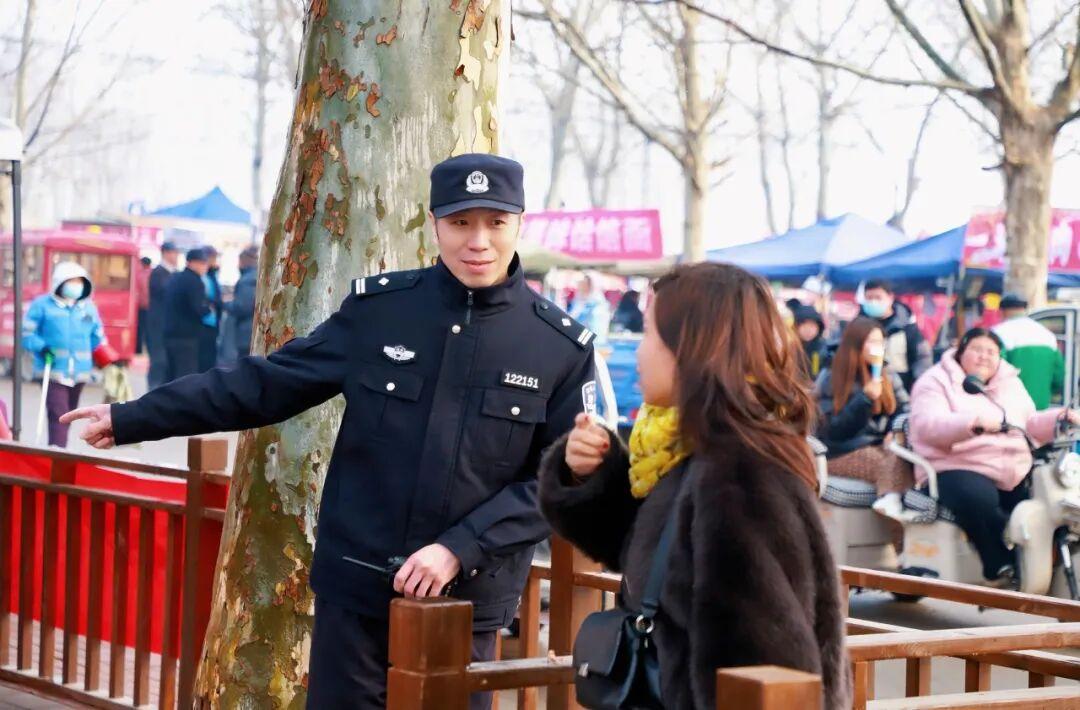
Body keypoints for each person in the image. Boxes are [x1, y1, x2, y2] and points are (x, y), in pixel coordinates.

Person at [61, 153, 602, 710]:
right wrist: (133, 417)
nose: (478, 241)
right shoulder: (381, 311)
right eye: (461, 222)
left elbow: (560, 480)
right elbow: (265, 383)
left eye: (496, 222)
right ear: (434, 223)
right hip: (356, 593)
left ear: (519, 222)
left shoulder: (557, 347)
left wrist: (458, 550)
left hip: (466, 605)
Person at [538, 262, 850, 710]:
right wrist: (590, 474)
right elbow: (654, 558)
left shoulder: (739, 476)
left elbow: (764, 664)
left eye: (649, 333)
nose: (639, 350)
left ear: (692, 349)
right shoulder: (694, 449)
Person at [909, 327, 1080, 586]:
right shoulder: (935, 381)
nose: (984, 356)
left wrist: (1059, 419)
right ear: (961, 351)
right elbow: (928, 426)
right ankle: (999, 566)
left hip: (1010, 468)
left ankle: (1048, 567)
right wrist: (971, 424)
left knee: (1050, 499)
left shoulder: (1010, 382)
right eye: (977, 349)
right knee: (978, 498)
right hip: (955, 465)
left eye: (991, 352)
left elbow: (1029, 422)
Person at [815, 316, 912, 518]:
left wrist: (894, 431)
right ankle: (891, 503)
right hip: (840, 451)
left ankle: (894, 505)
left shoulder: (887, 374)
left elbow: (905, 409)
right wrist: (864, 400)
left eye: (881, 342)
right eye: (872, 342)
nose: (878, 348)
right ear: (857, 344)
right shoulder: (832, 376)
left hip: (880, 445)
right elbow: (832, 430)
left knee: (906, 459)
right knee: (883, 463)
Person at [22, 262, 118, 447]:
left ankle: (59, 450)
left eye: (79, 282)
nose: (76, 286)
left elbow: (97, 337)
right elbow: (27, 334)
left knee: (69, 415)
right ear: (59, 282)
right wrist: (42, 347)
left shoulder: (88, 308)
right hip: (52, 370)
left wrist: (108, 359)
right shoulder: (42, 305)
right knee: (59, 414)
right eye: (71, 281)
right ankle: (58, 453)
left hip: (80, 373)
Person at [993, 292, 1065, 410]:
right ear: (1025, 309)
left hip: (1009, 408)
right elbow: (1059, 377)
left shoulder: (997, 334)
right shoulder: (1047, 336)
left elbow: (994, 372)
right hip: (1041, 407)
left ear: (1002, 311)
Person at [859, 279, 932, 392]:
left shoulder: (907, 327)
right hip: (865, 390)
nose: (873, 302)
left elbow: (922, 358)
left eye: (878, 298)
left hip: (901, 390)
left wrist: (918, 387)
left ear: (890, 298)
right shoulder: (857, 328)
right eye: (869, 298)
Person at [164, 248, 212, 382]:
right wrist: (209, 309)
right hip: (187, 335)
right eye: (202, 263)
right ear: (192, 263)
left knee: (171, 373)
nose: (205, 267)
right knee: (185, 375)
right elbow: (197, 307)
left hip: (170, 333)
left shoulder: (175, 277)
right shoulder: (195, 281)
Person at [147, 242, 179, 388]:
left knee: (168, 363)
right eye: (173, 252)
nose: (176, 256)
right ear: (165, 253)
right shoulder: (158, 273)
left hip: (170, 325)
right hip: (158, 324)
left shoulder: (174, 273)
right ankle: (152, 391)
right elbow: (163, 292)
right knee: (159, 361)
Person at [226, 245, 259, 359]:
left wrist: (225, 304)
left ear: (242, 261)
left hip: (246, 332)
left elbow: (243, 307)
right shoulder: (257, 276)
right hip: (252, 331)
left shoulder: (247, 280)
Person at [199, 245, 224, 372]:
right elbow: (209, 297)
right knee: (205, 359)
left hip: (212, 322)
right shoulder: (203, 277)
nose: (215, 260)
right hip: (205, 323)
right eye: (212, 257)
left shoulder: (212, 275)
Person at [569, 272, 611, 344]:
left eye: (586, 284)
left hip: (592, 345)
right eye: (582, 284)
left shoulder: (598, 307)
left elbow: (597, 334)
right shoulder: (578, 302)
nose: (582, 287)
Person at [793, 302, 829, 379]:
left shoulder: (822, 348)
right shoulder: (792, 347)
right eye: (804, 326)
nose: (808, 330)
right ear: (796, 327)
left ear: (819, 328)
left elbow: (815, 374)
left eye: (812, 326)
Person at [135, 256, 152, 354]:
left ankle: (139, 349)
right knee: (148, 329)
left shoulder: (141, 275)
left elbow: (144, 291)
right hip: (151, 306)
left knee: (140, 328)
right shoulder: (153, 273)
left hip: (143, 306)